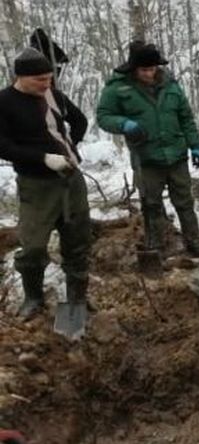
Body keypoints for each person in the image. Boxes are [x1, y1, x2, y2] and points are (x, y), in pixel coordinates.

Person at [96, 42, 199, 257]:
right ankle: (155, 246)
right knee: (151, 204)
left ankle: (194, 241)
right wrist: (124, 124)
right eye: (144, 70)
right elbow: (103, 116)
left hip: (176, 154)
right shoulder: (117, 88)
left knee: (185, 202)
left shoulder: (171, 85)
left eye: (153, 69)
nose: (150, 74)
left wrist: (195, 145)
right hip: (146, 156)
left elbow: (185, 117)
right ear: (134, 69)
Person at [0, 48, 90, 320]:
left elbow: (79, 120)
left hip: (71, 180)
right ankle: (34, 297)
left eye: (49, 78)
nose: (46, 84)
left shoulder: (53, 95)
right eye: (40, 79)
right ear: (21, 77)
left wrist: (70, 147)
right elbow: (2, 145)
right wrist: (42, 158)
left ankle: (76, 302)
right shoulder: (4, 102)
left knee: (78, 242)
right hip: (36, 185)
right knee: (33, 247)